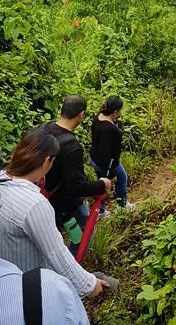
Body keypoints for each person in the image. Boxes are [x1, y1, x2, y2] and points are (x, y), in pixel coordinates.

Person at [0, 127, 93, 324]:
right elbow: (57, 256)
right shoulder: (34, 204)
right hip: (26, 297)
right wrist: (90, 285)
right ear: (47, 161)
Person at [43, 95, 112, 256]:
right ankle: (70, 267)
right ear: (81, 115)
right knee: (84, 231)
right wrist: (102, 184)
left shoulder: (44, 129)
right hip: (63, 202)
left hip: (41, 195)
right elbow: (77, 186)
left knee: (51, 239)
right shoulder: (71, 146)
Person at [89, 96, 135, 217]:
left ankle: (101, 211)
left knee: (101, 184)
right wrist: (110, 172)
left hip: (93, 158)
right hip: (105, 163)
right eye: (119, 112)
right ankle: (122, 206)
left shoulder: (97, 118)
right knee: (122, 177)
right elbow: (114, 154)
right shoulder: (113, 131)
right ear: (115, 112)